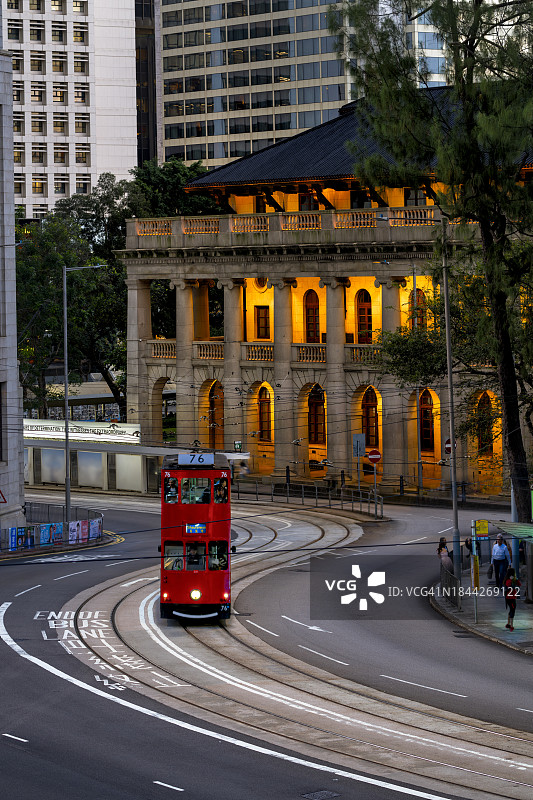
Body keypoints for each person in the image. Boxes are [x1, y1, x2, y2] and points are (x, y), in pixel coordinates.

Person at [503, 566, 521, 631]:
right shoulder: (508, 581)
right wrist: (512, 580)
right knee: (513, 610)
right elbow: (509, 586)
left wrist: (516, 580)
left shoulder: (508, 579)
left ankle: (508, 624)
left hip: (509, 598)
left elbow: (519, 584)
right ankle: (511, 625)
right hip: (511, 598)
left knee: (511, 610)